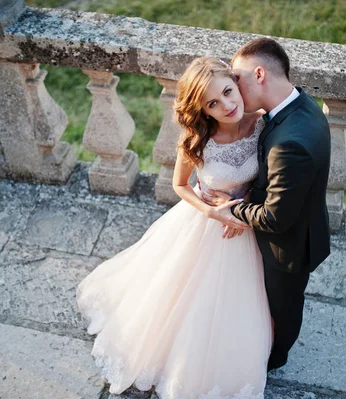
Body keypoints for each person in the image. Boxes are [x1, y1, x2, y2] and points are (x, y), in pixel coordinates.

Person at [76, 57, 272, 399]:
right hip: (206, 223)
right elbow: (181, 186)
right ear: (203, 110)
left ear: (235, 82)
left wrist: (245, 211)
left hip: (248, 223)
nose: (227, 105)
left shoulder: (262, 123)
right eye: (213, 103)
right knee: (181, 297)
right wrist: (213, 213)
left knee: (242, 304)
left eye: (228, 91)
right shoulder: (199, 139)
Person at [203, 38, 332, 372]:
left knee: (283, 305)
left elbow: (274, 218)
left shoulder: (289, 143)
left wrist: (229, 208)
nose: (233, 84)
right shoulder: (301, 103)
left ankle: (274, 360)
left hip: (287, 246)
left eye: (238, 78)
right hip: (303, 221)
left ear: (259, 74)